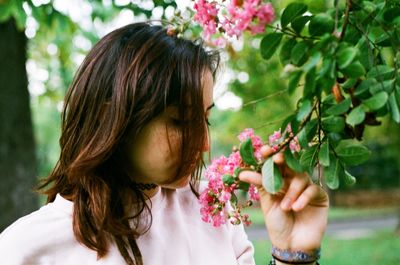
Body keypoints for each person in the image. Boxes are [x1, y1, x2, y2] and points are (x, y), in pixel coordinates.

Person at [0, 22, 329, 265]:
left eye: (206, 118)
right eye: (181, 121)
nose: (202, 144)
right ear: (111, 120)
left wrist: (292, 254)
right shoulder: (24, 249)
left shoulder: (211, 209)